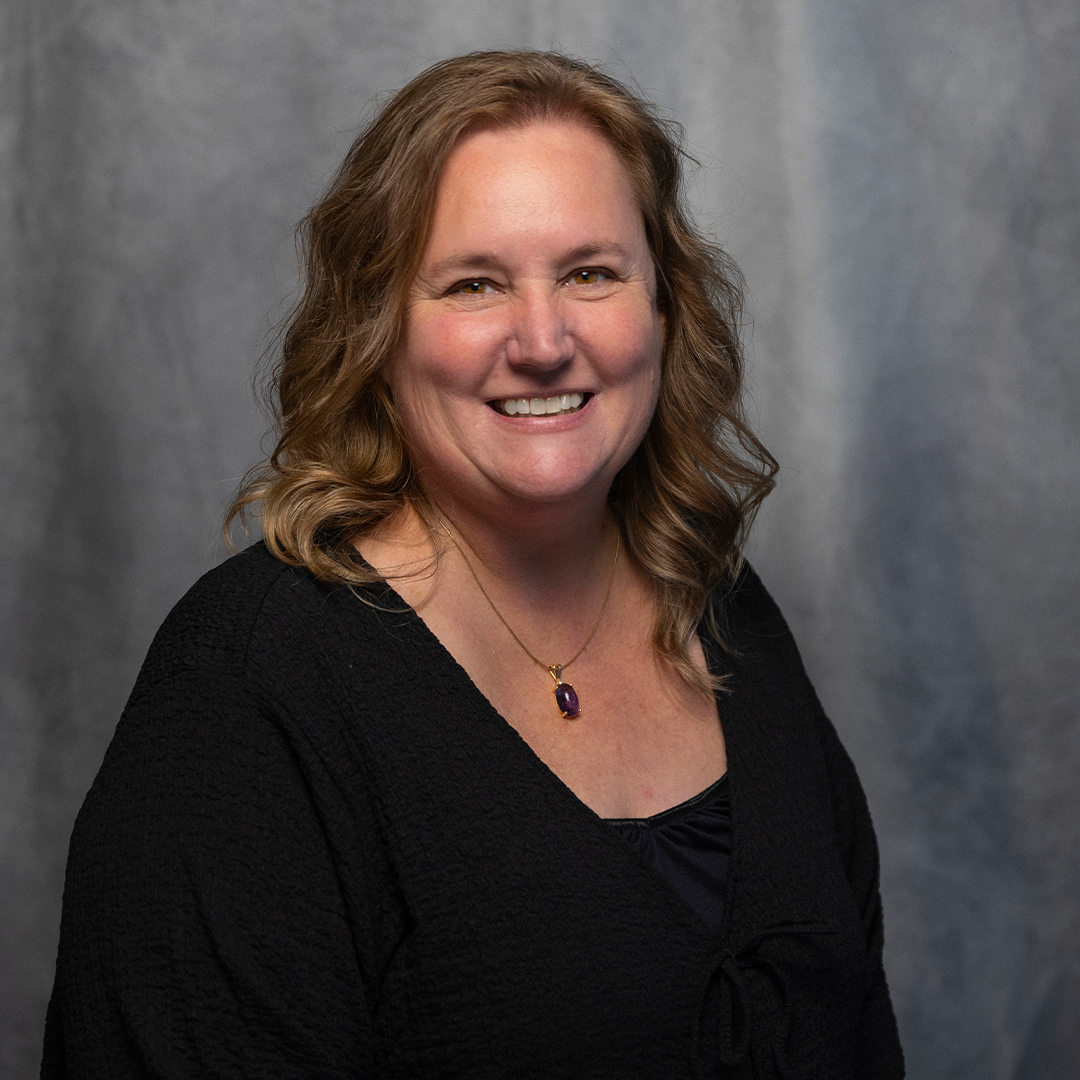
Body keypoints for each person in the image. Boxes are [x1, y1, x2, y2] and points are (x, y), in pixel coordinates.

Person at [42, 50, 904, 1078]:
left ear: (664, 311)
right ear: (378, 332)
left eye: (590, 273)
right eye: (474, 284)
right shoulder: (250, 683)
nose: (543, 341)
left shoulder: (723, 611)